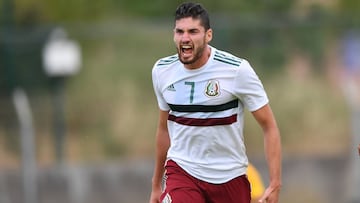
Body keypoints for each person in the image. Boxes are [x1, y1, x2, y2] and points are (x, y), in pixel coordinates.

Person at [149, 2, 281, 203]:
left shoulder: (237, 70)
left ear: (208, 35)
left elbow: (269, 126)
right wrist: (156, 184)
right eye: (180, 31)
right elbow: (163, 130)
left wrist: (275, 183)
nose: (185, 38)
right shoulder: (162, 71)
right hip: (183, 170)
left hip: (229, 176)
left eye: (193, 31)